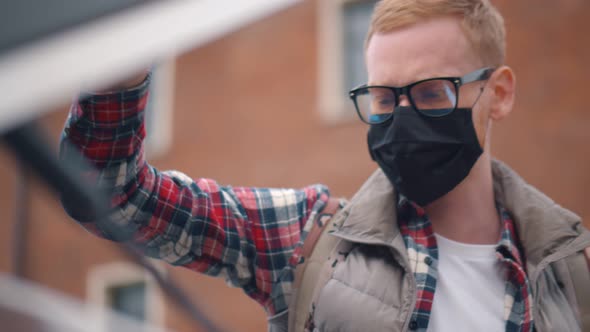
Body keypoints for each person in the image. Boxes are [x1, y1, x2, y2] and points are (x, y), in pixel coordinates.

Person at [60, 0, 590, 331]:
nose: (402, 118)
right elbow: (112, 194)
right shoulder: (309, 240)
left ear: (497, 94)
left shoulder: (572, 272)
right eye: (383, 99)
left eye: (431, 94)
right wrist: (120, 65)